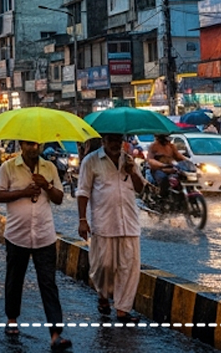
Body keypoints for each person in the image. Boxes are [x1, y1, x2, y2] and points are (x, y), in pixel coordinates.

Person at [0, 139, 71, 350]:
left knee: (48, 283)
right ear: (21, 145)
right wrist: (23, 192)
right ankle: (11, 319)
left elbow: (59, 198)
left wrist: (47, 185)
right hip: (17, 234)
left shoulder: (49, 167)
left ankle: (55, 333)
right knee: (14, 279)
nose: (33, 148)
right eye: (28, 144)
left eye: (36, 144)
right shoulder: (8, 167)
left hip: (44, 235)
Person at [77, 133, 145, 325]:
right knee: (103, 266)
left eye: (118, 140)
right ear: (104, 141)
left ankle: (123, 309)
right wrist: (82, 219)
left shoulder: (129, 160)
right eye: (111, 140)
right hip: (103, 222)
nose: (115, 144)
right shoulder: (91, 161)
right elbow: (82, 191)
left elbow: (140, 188)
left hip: (129, 222)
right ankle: (103, 295)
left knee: (129, 267)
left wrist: (131, 171)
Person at [145, 134, 188, 199]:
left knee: (182, 177)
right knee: (163, 179)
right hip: (159, 170)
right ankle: (162, 197)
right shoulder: (153, 146)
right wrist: (162, 165)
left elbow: (179, 156)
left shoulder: (171, 146)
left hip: (172, 169)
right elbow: (150, 160)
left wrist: (189, 162)